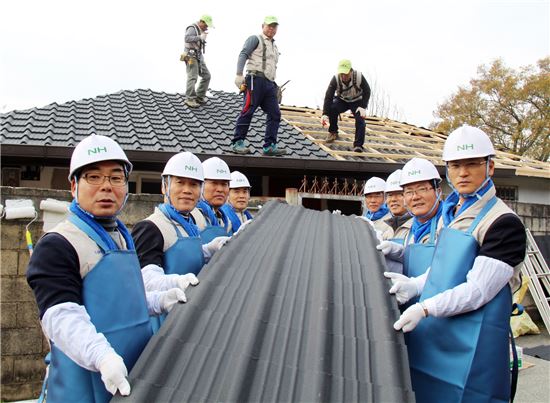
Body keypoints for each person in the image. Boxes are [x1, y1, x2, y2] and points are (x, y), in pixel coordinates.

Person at [26, 134, 187, 402]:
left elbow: (120, 301)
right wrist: (101, 356)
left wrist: (160, 300)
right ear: (73, 185)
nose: (106, 187)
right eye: (93, 177)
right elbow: (60, 316)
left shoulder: (122, 237)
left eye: (115, 177)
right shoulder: (58, 244)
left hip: (135, 372)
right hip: (86, 383)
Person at [385, 126, 526, 402]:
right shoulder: (452, 215)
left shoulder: (502, 223)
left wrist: (425, 308)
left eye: (472, 164)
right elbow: (443, 269)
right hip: (437, 338)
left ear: (490, 167)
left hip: (475, 344)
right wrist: (414, 285)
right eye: (456, 165)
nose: (463, 173)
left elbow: (477, 291)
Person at [131, 152, 229, 332]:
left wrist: (210, 249)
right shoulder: (150, 228)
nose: (187, 190)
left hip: (189, 319)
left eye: (193, 184)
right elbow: (146, 281)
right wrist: (178, 282)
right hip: (163, 324)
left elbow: (187, 256)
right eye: (180, 182)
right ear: (164, 186)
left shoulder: (189, 224)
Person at [230, 16, 286, 156]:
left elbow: (271, 66)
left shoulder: (274, 46)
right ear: (263, 26)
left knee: (275, 114)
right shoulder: (255, 39)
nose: (271, 29)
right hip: (255, 80)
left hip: (269, 83)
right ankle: (238, 142)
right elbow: (243, 54)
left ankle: (269, 146)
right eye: (269, 26)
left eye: (274, 27)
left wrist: (274, 85)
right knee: (248, 109)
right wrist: (238, 74)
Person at [378, 159, 443, 280]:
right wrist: (399, 253)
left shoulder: (448, 224)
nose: (415, 197)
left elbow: (447, 271)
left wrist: (416, 286)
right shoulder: (414, 228)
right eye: (409, 192)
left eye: (422, 189)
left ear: (438, 192)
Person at [321, 59, 371, 152]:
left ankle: (358, 145)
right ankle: (333, 132)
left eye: (346, 74)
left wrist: (363, 106)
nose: (343, 76)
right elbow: (328, 96)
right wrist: (325, 114)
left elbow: (367, 91)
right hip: (342, 100)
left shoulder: (359, 76)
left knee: (360, 119)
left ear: (351, 71)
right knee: (332, 108)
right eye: (341, 74)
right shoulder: (336, 79)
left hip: (357, 101)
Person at [191, 156, 234, 241]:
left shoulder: (226, 221)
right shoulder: (191, 216)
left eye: (224, 184)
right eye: (214, 183)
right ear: (200, 185)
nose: (220, 189)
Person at [183, 15, 213, 108]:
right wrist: (199, 37)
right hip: (191, 55)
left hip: (198, 56)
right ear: (201, 22)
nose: (207, 27)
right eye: (206, 25)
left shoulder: (200, 30)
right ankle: (190, 98)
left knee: (207, 75)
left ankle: (199, 96)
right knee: (193, 76)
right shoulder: (192, 28)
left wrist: (201, 37)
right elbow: (187, 38)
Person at [382, 169, 412, 242]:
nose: (393, 199)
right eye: (390, 195)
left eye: (400, 194)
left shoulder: (417, 227)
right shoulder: (387, 230)